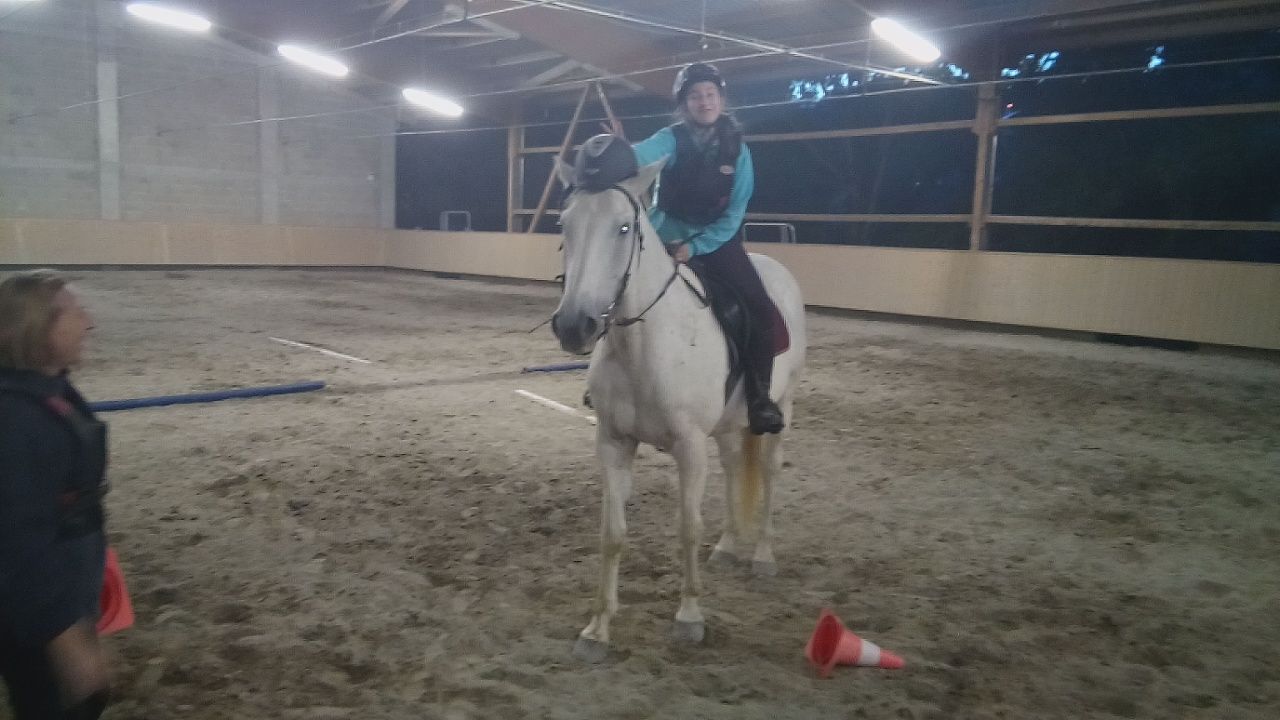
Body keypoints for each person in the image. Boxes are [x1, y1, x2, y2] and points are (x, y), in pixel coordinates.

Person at [607, 62, 785, 434]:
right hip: (664, 234)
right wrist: (619, 153)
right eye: (695, 96)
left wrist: (696, 247)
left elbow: (734, 212)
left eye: (710, 94)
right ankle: (606, 379)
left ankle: (759, 397)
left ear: (721, 99)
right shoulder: (671, 138)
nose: (704, 102)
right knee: (617, 290)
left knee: (759, 307)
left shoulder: (738, 151)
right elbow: (642, 155)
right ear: (684, 104)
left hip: (716, 241)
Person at [0, 270, 111, 720]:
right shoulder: (15, 419)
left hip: (61, 592)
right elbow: (17, 542)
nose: (89, 323)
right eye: (75, 312)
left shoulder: (47, 386)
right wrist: (65, 636)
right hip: (35, 616)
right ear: (37, 327)